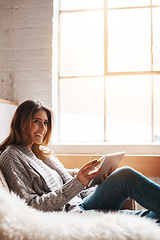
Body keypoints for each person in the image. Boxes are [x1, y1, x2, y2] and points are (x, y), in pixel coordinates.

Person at [0, 100, 160, 223]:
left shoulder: (45, 153)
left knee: (124, 177)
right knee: (150, 214)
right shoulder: (11, 155)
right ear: (21, 122)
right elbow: (31, 206)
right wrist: (78, 182)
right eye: (36, 121)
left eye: (45, 122)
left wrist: (99, 187)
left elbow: (75, 190)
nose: (43, 128)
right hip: (67, 217)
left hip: (81, 204)